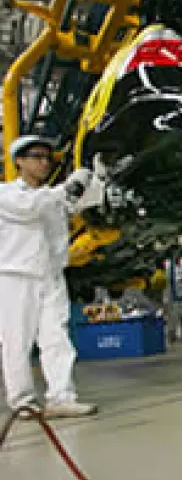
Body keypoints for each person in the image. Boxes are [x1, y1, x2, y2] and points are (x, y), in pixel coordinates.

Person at [0, 135, 104, 419]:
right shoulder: (7, 195)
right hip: (15, 276)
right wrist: (69, 188)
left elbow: (81, 204)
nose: (44, 162)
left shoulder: (53, 198)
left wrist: (96, 178)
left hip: (51, 276)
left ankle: (61, 397)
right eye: (36, 156)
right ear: (19, 161)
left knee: (57, 338)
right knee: (17, 341)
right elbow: (31, 208)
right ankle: (22, 401)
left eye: (48, 157)